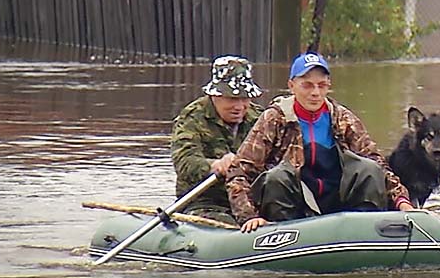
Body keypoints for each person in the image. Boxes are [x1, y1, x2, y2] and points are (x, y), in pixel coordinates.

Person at [226, 52, 414, 233]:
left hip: (336, 199)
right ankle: (283, 235)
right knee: (277, 177)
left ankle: (366, 229)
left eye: (321, 85)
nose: (315, 93)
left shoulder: (342, 118)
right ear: (291, 86)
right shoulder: (274, 118)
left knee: (369, 169)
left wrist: (402, 201)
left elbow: (378, 164)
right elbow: (239, 171)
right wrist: (249, 216)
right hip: (293, 201)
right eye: (307, 85)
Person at [171, 55, 264, 224]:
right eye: (232, 99)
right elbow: (184, 162)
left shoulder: (259, 117)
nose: (239, 106)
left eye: (245, 99)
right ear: (215, 96)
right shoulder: (192, 118)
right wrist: (215, 166)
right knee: (228, 226)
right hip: (204, 201)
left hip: (248, 199)